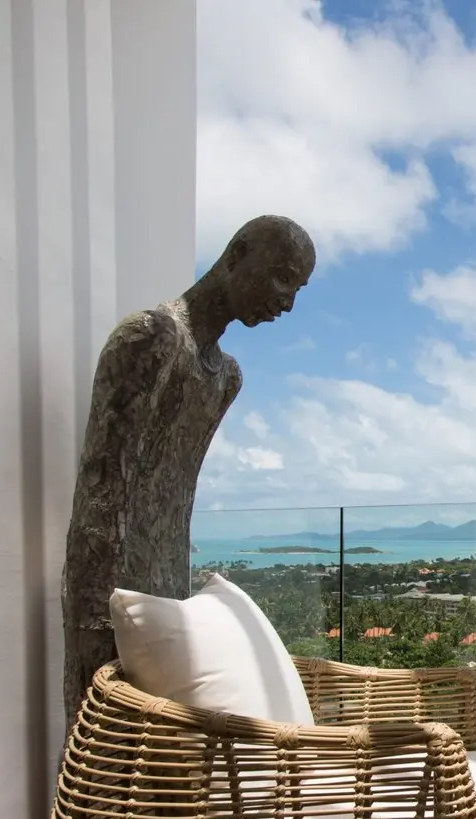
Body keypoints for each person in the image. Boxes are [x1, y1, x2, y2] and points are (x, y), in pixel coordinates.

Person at [61, 215, 316, 723]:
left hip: (168, 595)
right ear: (238, 252)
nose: (287, 302)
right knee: (106, 777)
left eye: (298, 288)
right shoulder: (152, 337)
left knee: (167, 783)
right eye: (282, 277)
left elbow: (178, 494)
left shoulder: (225, 377)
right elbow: (103, 488)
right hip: (108, 600)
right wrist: (99, 613)